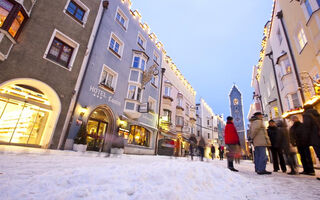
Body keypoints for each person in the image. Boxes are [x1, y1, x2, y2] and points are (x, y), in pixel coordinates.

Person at [303, 107, 320, 180]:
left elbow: (307, 128)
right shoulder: (318, 115)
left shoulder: (307, 116)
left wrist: (306, 139)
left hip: (315, 138)